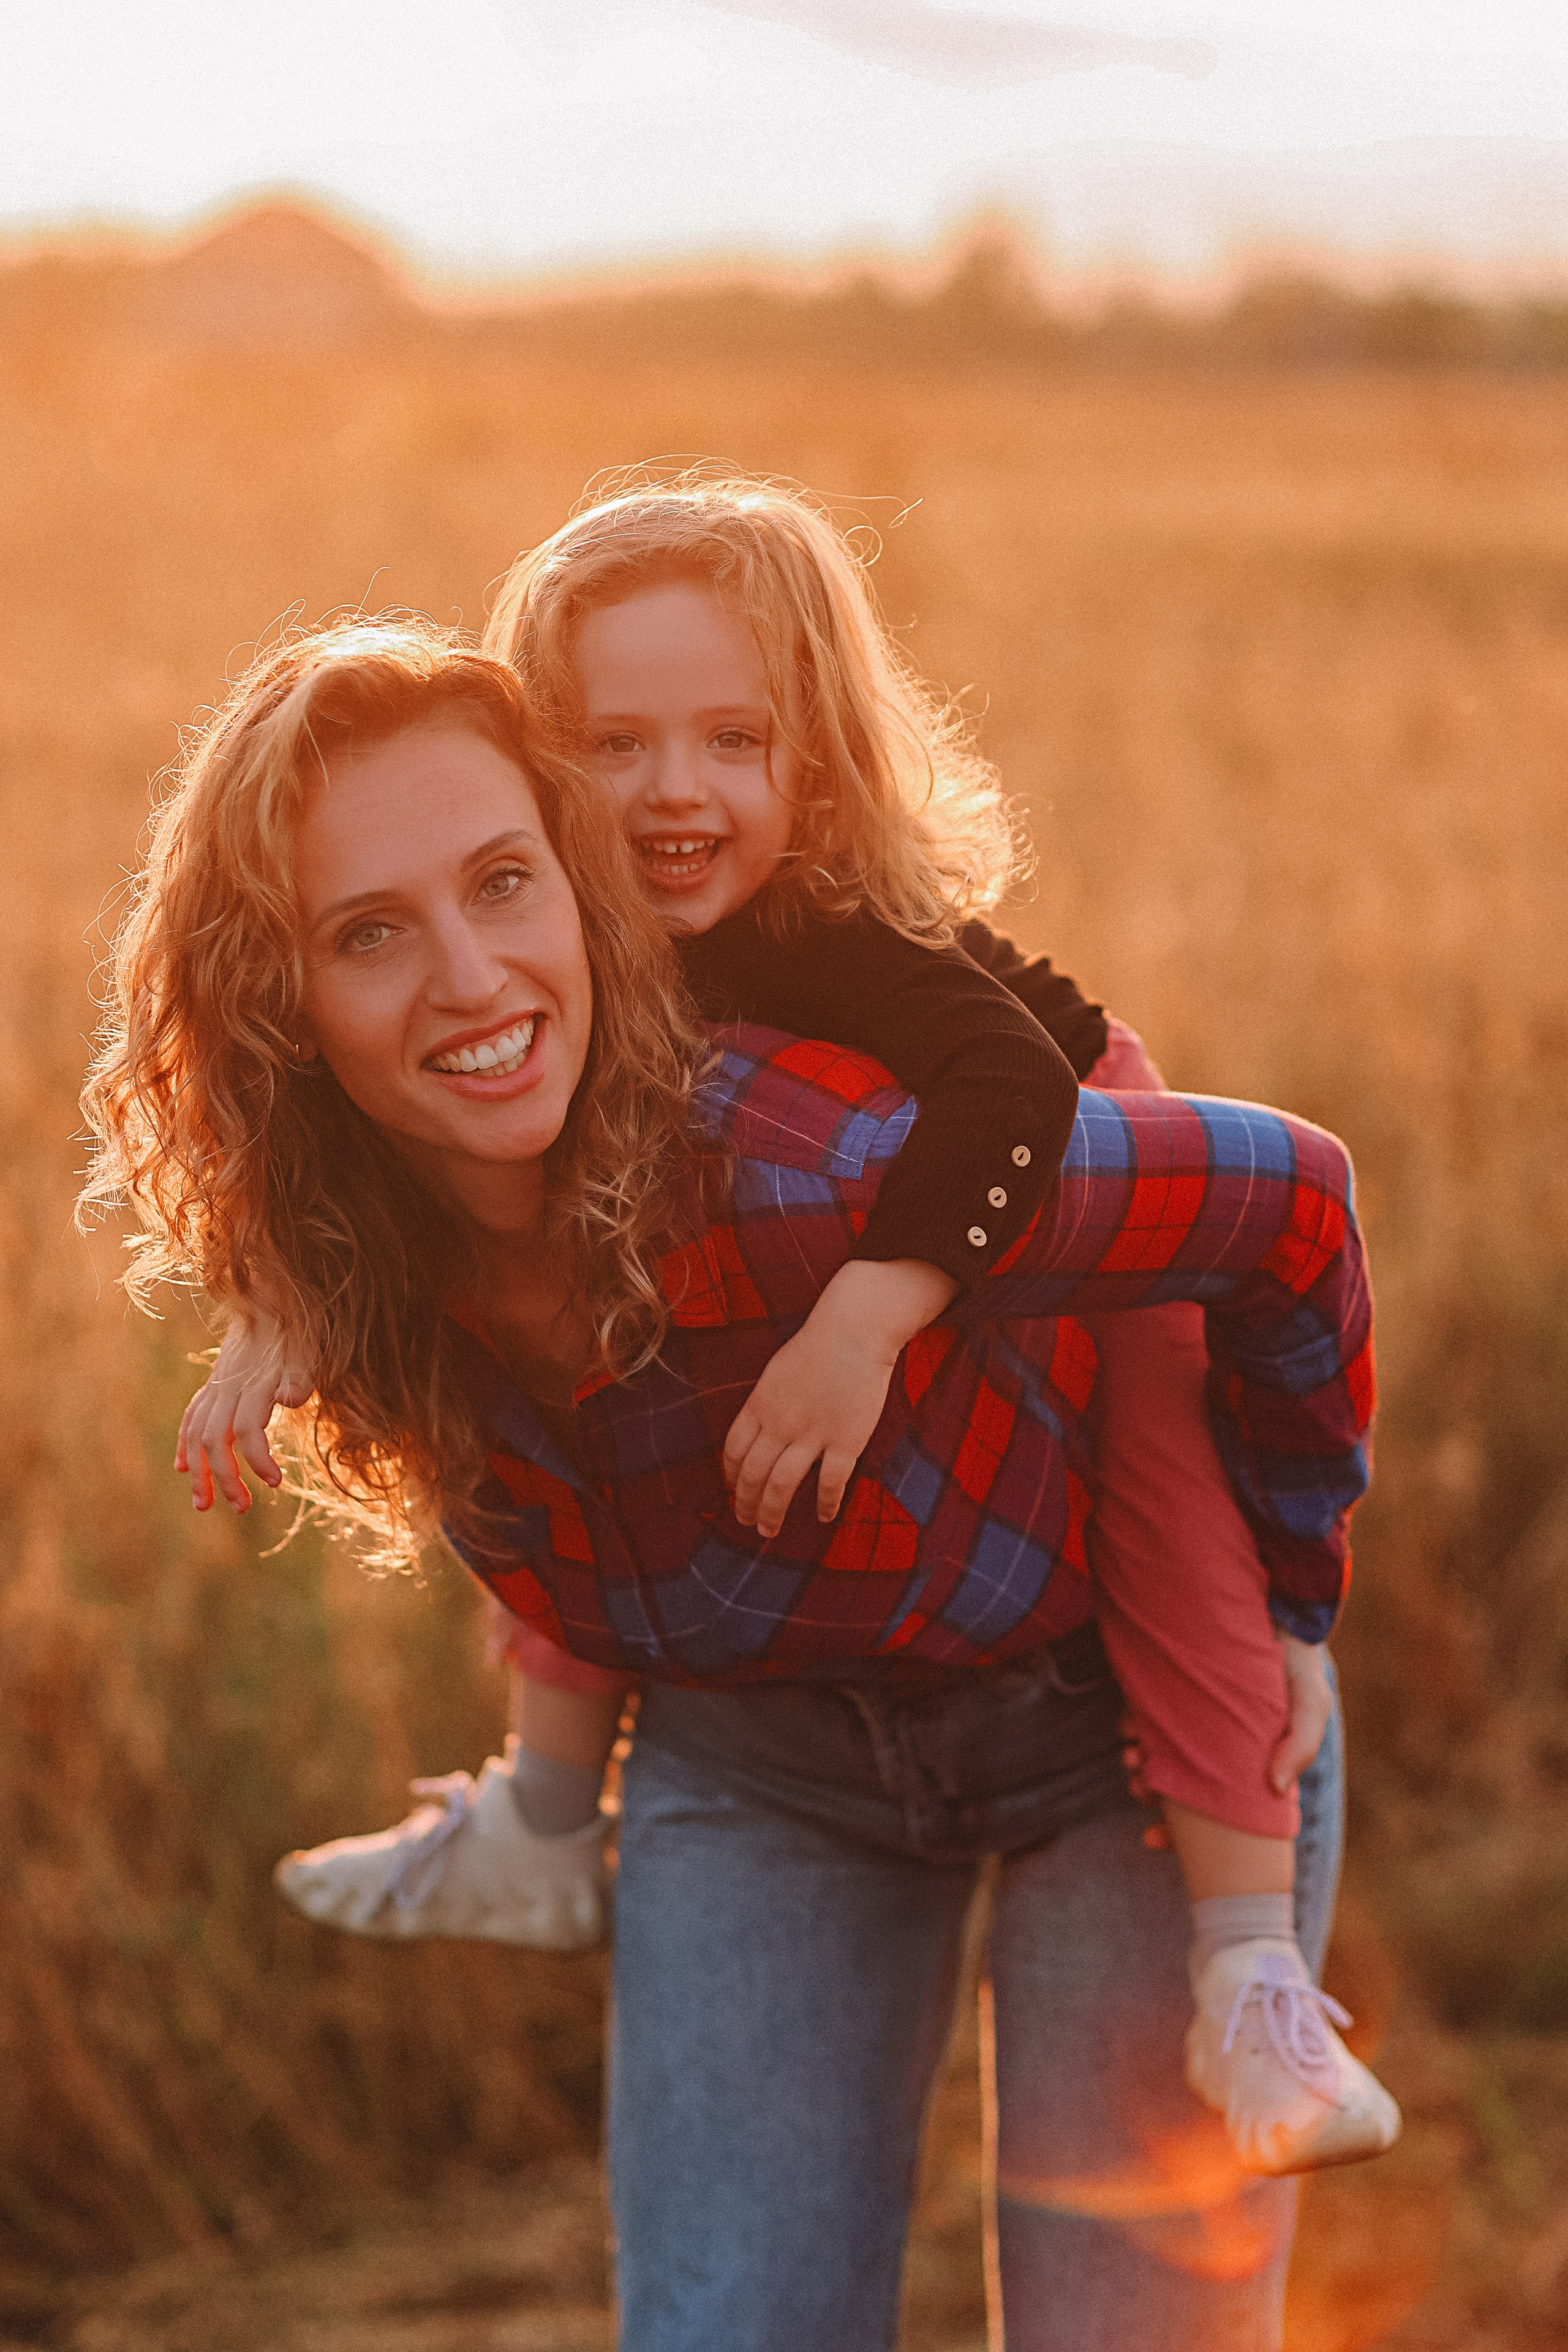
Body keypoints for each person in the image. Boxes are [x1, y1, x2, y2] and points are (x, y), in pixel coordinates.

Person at [85, 619, 1394, 2346]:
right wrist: (291, 1306)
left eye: (503, 884)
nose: (469, 979)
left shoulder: (830, 1167)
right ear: (284, 1009)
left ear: (583, 892)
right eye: (368, 933)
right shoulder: (352, 1273)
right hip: (755, 1763)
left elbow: (1291, 1205)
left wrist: (1288, 1595)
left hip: (1121, 1746)